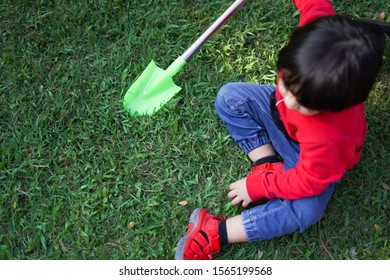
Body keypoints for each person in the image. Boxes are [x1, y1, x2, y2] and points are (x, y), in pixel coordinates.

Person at [175, 0, 385, 260]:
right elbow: (314, 4)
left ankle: (216, 230)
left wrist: (259, 187)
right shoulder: (315, 34)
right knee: (230, 97)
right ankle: (268, 163)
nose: (290, 99)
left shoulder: (329, 138)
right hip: (283, 125)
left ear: (341, 102)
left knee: (307, 210)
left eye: (306, 103)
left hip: (310, 164)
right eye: (288, 81)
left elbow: (307, 181)